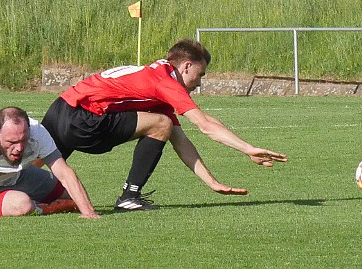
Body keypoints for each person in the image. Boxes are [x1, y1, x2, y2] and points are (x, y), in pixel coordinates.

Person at [42, 39, 288, 212]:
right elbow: (205, 125)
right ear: (186, 66)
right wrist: (248, 149)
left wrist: (212, 182)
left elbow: (180, 139)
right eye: (200, 75)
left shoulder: (156, 75)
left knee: (34, 162)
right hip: (85, 120)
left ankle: (7, 191)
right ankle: (130, 197)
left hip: (62, 108)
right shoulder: (166, 83)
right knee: (160, 124)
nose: (199, 82)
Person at [0, 106, 100, 218]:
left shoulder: (37, 133)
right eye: (12, 142)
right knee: (22, 205)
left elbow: (63, 172)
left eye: (23, 140)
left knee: (73, 196)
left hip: (16, 176)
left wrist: (88, 212)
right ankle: (44, 208)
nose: (19, 148)